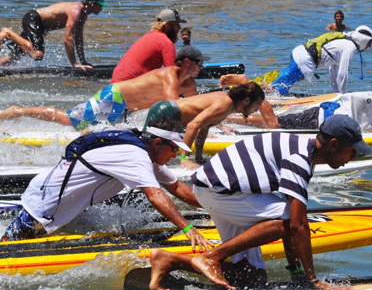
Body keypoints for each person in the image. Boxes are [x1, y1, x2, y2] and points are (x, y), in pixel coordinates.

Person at [147, 114, 371, 290]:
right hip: (220, 190)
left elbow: (293, 226)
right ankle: (210, 258)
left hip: (219, 191)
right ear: (334, 144)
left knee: (251, 276)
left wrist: (296, 273)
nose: (351, 158)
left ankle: (169, 261)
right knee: (289, 219)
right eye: (351, 151)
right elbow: (296, 225)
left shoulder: (301, 153)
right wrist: (312, 281)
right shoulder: (299, 157)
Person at [1, 126, 211, 254]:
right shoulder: (134, 155)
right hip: (43, 204)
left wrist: (214, 207)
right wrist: (187, 229)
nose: (175, 155)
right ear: (157, 142)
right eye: (173, 149)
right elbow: (155, 196)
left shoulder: (147, 155)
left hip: (61, 204)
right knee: (6, 249)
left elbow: (176, 187)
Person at [0, 46, 206, 130]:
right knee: (68, 120)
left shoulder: (189, 84)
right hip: (114, 97)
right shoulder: (170, 75)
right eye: (199, 63)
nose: (202, 67)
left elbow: (193, 107)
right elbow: (174, 108)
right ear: (186, 62)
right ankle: (17, 111)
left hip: (125, 109)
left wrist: (215, 125)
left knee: (93, 133)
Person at [143, 82, 273, 165]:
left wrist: (198, 157)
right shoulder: (224, 105)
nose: (256, 110)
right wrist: (185, 159)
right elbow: (192, 126)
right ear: (246, 100)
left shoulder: (228, 105)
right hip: (166, 111)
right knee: (147, 150)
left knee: (151, 151)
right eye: (257, 105)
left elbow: (203, 128)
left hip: (170, 113)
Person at [230, 76, 372, 132]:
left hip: (320, 116)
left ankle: (230, 119)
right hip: (318, 119)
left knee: (269, 123)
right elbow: (356, 100)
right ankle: (250, 86)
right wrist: (354, 128)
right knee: (273, 124)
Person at [0, 0, 107, 68]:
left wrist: (83, 61)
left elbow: (78, 38)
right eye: (99, 6)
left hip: (39, 25)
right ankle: (7, 33)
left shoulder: (83, 14)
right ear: (92, 4)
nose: (101, 8)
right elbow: (68, 39)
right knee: (37, 55)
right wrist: (75, 63)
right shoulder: (76, 11)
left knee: (15, 57)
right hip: (34, 20)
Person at [271, 25, 372, 96]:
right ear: (364, 40)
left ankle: (261, 91)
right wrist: (345, 97)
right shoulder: (350, 47)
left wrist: (337, 94)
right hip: (304, 61)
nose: (369, 46)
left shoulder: (345, 42)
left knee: (283, 84)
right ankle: (260, 94)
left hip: (301, 54)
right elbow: (342, 75)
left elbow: (334, 73)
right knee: (279, 88)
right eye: (370, 42)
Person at [111, 9, 188, 83]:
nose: (179, 28)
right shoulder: (166, 42)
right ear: (167, 24)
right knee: (189, 84)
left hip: (114, 87)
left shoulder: (149, 36)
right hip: (127, 89)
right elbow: (172, 75)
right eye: (177, 24)